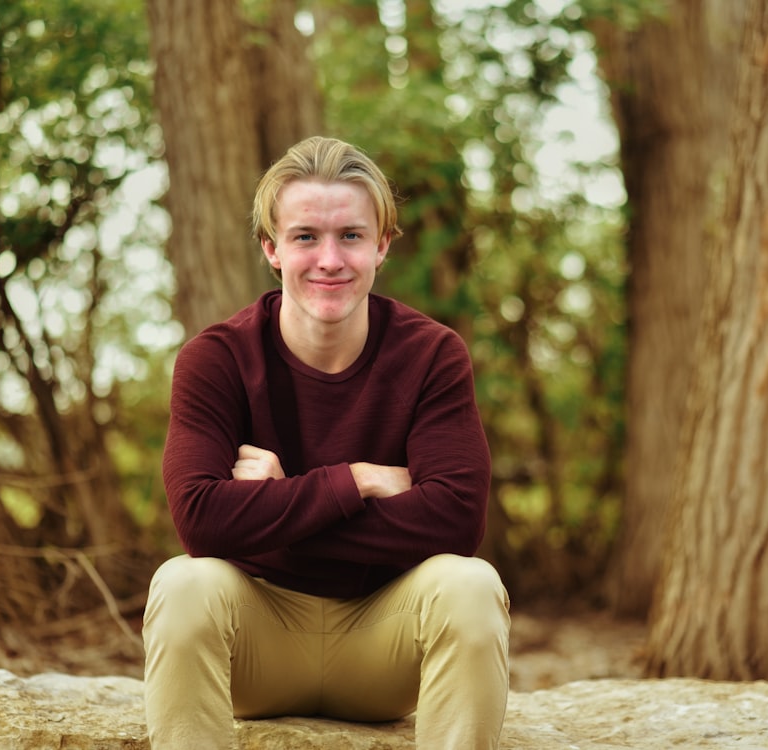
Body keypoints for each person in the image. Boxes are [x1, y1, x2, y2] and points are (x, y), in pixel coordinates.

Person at [142, 136, 511, 749]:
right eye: (306, 236)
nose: (330, 259)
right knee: (183, 584)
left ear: (382, 246)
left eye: (351, 236)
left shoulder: (431, 355)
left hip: (384, 641)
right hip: (257, 647)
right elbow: (201, 522)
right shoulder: (217, 359)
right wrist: (359, 481)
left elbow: (457, 521)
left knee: (469, 585)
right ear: (272, 248)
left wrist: (277, 504)